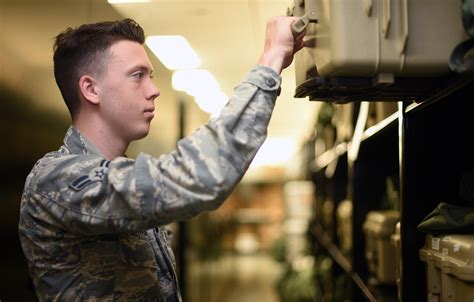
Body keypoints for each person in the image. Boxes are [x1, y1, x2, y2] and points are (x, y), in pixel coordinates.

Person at [18, 16, 305, 301]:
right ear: (91, 89)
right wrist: (271, 59)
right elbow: (204, 175)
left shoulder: (123, 171)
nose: (153, 90)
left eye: (150, 76)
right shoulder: (56, 180)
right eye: (137, 75)